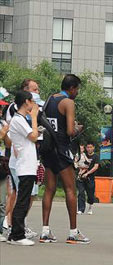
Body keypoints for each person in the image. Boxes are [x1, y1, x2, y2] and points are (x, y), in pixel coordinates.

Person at [40, 74, 90, 244]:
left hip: (48, 149)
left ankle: (45, 231)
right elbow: (69, 131)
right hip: (61, 149)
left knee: (49, 190)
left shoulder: (50, 99)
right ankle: (73, 232)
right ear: (72, 88)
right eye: (77, 89)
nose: (77, 92)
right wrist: (77, 129)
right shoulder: (68, 102)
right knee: (71, 189)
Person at [3, 79, 41, 239]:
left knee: (24, 199)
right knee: (22, 200)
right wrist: (33, 117)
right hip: (24, 166)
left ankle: (16, 233)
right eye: (32, 100)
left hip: (27, 165)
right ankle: (16, 234)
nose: (34, 103)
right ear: (26, 102)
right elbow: (33, 136)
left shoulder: (19, 120)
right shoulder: (18, 119)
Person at [76, 142, 99, 215]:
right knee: (81, 192)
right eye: (88, 147)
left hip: (90, 178)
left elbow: (96, 167)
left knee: (90, 195)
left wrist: (87, 173)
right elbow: (76, 163)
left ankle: (90, 207)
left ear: (93, 147)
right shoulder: (82, 155)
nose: (89, 149)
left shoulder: (96, 156)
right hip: (81, 178)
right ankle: (80, 209)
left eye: (90, 147)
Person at [0, 103, 10, 242]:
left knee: (2, 200)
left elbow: (8, 144)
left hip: (1, 163)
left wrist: (6, 132)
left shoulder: (3, 123)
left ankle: (1, 230)